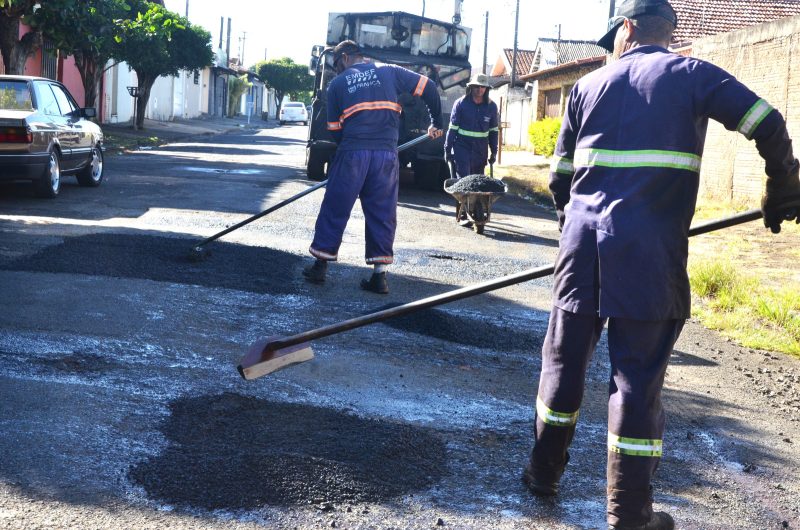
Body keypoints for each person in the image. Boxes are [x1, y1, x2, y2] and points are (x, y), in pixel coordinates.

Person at [520, 1, 800, 529]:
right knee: (636, 381)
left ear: (625, 29)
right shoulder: (694, 75)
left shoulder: (587, 87)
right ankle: (629, 516)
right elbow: (767, 120)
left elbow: (560, 178)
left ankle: (542, 473)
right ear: (671, 32)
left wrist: (576, 229)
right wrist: (783, 182)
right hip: (649, 254)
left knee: (562, 362)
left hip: (581, 249)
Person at [302, 40, 443, 294]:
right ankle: (379, 277)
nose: (337, 71)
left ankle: (320, 266)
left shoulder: (337, 84)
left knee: (336, 207)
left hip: (353, 152)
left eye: (337, 65)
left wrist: (351, 152)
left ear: (344, 58)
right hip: (386, 156)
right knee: (382, 212)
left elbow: (334, 130)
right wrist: (436, 122)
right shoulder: (389, 71)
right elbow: (429, 86)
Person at [443, 73, 499, 180]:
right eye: (476, 86)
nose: (479, 89)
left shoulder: (491, 107)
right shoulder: (460, 104)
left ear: (486, 88)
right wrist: (447, 149)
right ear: (471, 87)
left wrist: (494, 152)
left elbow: (493, 131)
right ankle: (464, 196)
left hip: (480, 151)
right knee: (464, 179)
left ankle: (474, 198)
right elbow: (453, 129)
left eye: (482, 86)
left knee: (477, 181)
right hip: (462, 148)